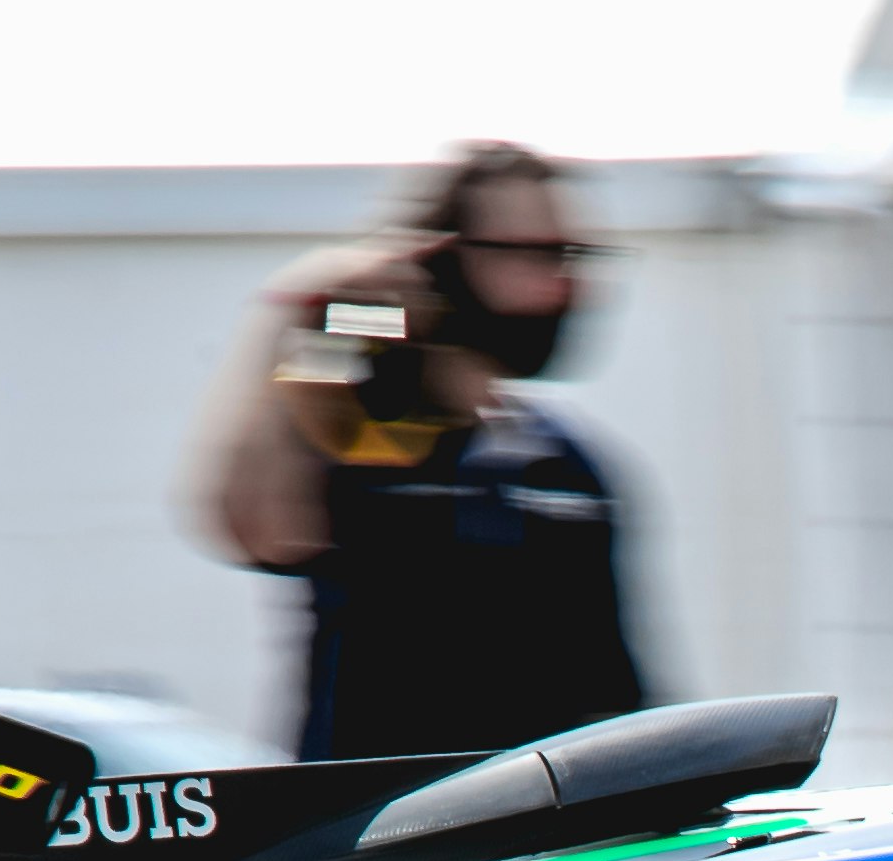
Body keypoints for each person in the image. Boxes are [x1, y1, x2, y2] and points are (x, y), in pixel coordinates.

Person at [186, 140, 650, 766]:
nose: (565, 284)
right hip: (386, 844)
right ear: (439, 258)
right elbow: (254, 526)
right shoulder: (360, 433)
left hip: (549, 839)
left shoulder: (566, 461)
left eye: (574, 255)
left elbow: (623, 696)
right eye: (538, 254)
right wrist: (299, 316)